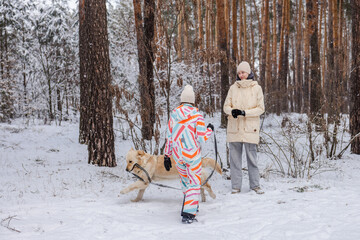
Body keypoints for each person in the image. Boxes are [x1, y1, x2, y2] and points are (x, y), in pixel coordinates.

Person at [164, 85, 214, 224]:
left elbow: (169, 137)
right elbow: (202, 136)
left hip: (178, 154)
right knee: (194, 182)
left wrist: (167, 156)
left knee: (185, 181)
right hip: (192, 154)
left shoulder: (174, 114)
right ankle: (188, 214)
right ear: (192, 100)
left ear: (182, 100)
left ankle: (190, 205)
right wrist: (209, 129)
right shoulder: (197, 115)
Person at [223, 61, 265, 194]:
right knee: (234, 160)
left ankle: (255, 185)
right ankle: (236, 186)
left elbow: (260, 109)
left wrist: (245, 113)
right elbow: (226, 106)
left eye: (243, 72)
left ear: (249, 72)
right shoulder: (233, 88)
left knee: (252, 159)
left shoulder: (256, 88)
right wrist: (232, 111)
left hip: (250, 129)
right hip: (234, 128)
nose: (241, 75)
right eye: (239, 73)